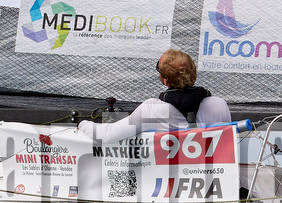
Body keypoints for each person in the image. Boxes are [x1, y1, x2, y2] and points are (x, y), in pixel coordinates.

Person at [88, 48, 231, 144]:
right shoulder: (219, 105)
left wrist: (81, 125)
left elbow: (106, 136)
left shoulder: (153, 109)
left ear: (166, 80)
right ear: (193, 73)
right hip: (212, 183)